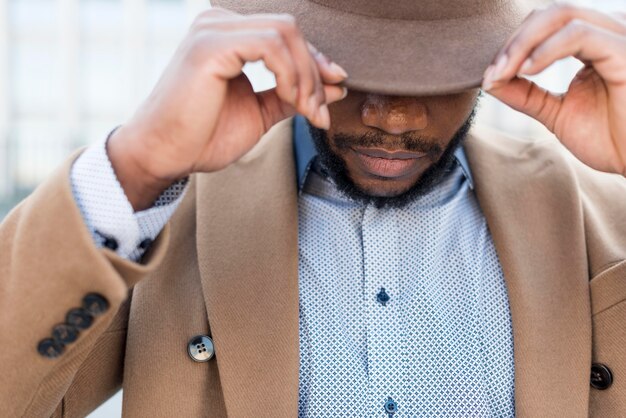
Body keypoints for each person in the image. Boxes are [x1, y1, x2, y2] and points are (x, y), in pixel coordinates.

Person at [2, 0, 626, 416]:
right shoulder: (161, 218)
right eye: (358, 65)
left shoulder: (599, 220)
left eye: (435, 71)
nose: (395, 116)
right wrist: (140, 165)